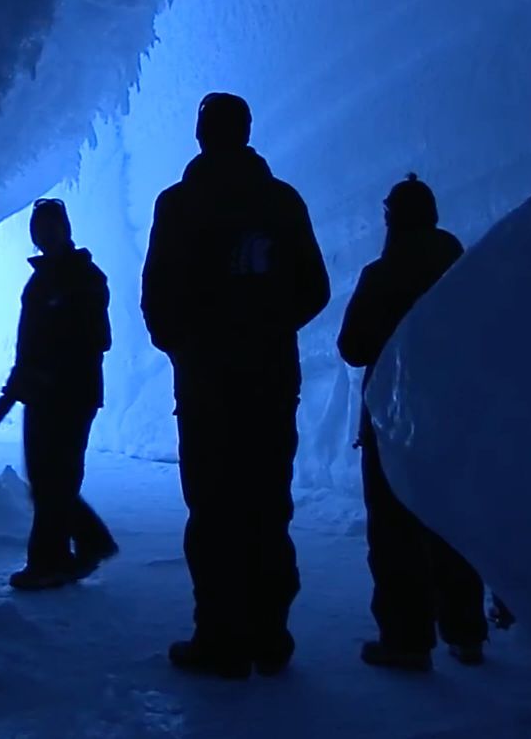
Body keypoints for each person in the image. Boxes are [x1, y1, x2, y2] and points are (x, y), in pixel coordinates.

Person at [140, 92, 331, 678]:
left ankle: (220, 637)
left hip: (206, 384)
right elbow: (315, 288)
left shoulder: (178, 205)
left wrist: (188, 348)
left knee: (214, 507)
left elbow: (156, 299)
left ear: (200, 135)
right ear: (247, 132)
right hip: (270, 379)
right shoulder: (280, 202)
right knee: (266, 505)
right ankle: (269, 634)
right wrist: (269, 329)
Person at [336, 173, 488, 670]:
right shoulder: (465, 270)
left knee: (395, 532)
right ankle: (466, 632)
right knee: (453, 521)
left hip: (390, 418)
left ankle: (406, 639)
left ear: (392, 218)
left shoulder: (381, 274)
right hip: (455, 415)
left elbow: (352, 348)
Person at [0, 198, 119, 591]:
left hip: (70, 396)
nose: (44, 234)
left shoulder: (85, 278)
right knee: (49, 481)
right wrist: (12, 393)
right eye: (39, 228)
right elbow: (27, 348)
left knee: (53, 482)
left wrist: (48, 374)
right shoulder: (42, 280)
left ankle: (49, 562)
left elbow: (98, 338)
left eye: (50, 226)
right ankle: (74, 551)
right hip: (43, 395)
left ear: (65, 228)